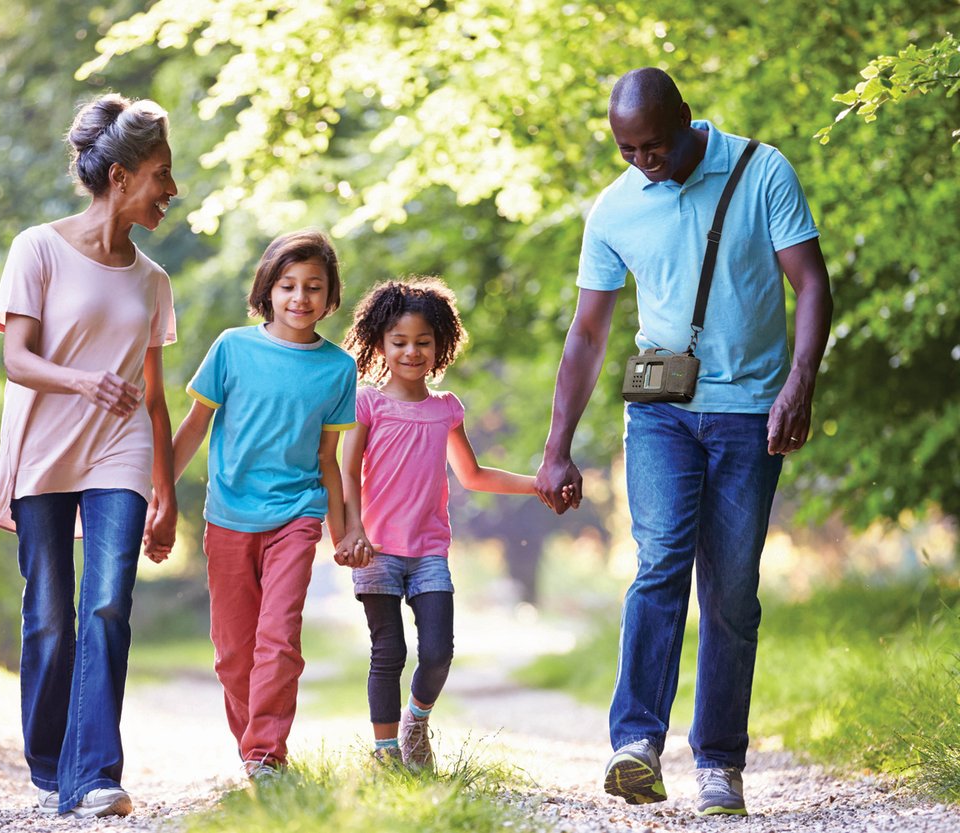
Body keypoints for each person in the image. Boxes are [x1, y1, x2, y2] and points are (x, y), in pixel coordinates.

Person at [534, 67, 833, 816]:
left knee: (731, 589)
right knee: (661, 559)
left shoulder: (762, 171)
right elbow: (589, 331)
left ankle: (720, 764)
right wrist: (556, 445)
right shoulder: (613, 208)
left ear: (688, 120)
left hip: (750, 412)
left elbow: (812, 283)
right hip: (661, 412)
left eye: (655, 145)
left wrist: (800, 382)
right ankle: (635, 742)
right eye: (628, 150)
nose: (644, 162)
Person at [0, 93, 180, 818]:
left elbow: (155, 397)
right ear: (123, 175)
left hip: (120, 451)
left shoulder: (153, 280)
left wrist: (167, 493)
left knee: (106, 603)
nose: (171, 191)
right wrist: (84, 382)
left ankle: (93, 772)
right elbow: (16, 359)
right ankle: (51, 762)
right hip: (45, 445)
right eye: (162, 174)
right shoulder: (36, 247)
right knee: (48, 614)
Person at [167, 230, 368, 780]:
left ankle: (265, 755)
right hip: (228, 516)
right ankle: (251, 746)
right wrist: (156, 496)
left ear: (330, 298)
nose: (299, 298)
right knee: (234, 652)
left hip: (298, 515)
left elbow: (329, 459)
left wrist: (345, 528)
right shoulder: (232, 347)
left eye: (313, 288)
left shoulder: (338, 368)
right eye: (288, 285)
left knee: (278, 637)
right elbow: (192, 430)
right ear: (268, 290)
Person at [339, 277, 544, 770]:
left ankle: (416, 722)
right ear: (380, 344)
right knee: (388, 653)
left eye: (423, 342)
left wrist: (537, 484)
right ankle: (386, 755)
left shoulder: (445, 410)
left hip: (429, 551)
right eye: (400, 342)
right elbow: (346, 471)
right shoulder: (368, 403)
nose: (412, 352)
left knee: (437, 652)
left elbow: (471, 474)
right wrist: (352, 530)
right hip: (377, 550)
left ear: (441, 344)